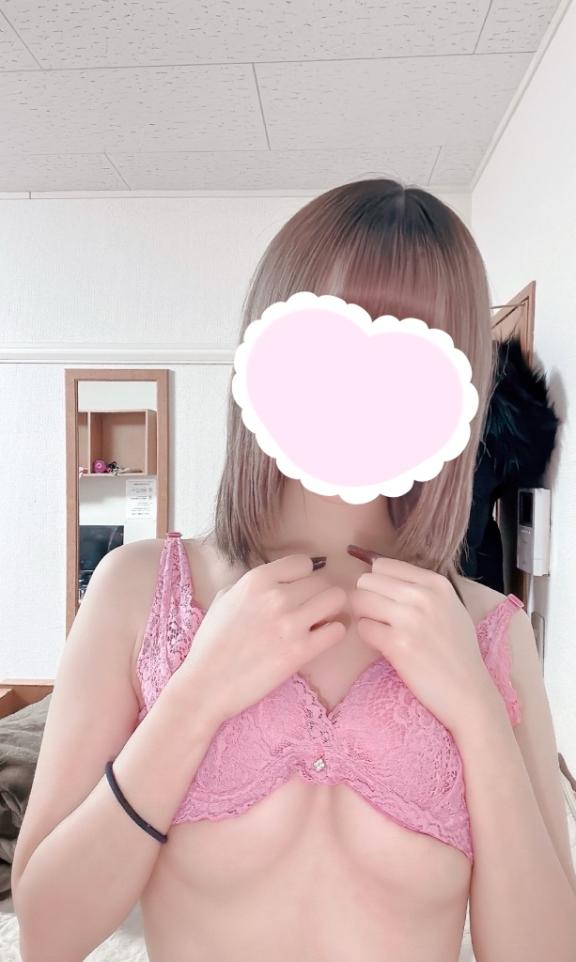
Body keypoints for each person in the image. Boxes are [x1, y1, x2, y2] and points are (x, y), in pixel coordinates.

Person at [11, 179, 576, 962]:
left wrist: (477, 713)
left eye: (412, 354)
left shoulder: (489, 632)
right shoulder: (138, 593)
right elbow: (46, 933)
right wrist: (198, 695)